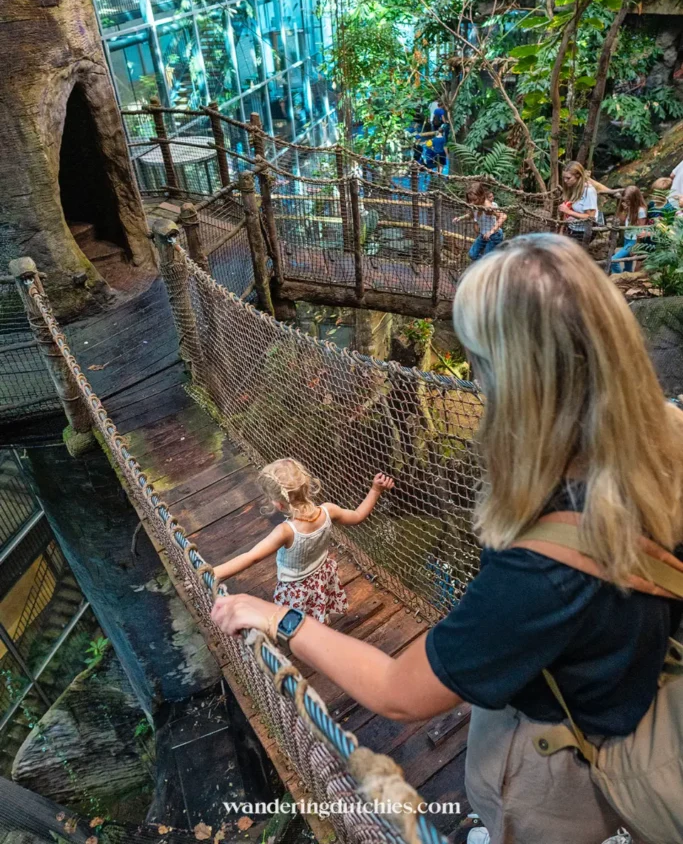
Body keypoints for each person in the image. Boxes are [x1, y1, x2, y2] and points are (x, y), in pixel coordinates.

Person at [212, 234, 683, 844]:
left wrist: (278, 617)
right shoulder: (665, 441)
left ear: (509, 380)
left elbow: (399, 694)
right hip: (627, 683)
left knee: (510, 817)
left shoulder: (546, 569)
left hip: (555, 754)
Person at [212, 458, 394, 623]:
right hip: (321, 576)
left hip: (296, 588)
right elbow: (357, 516)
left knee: (297, 622)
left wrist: (212, 574)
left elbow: (251, 557)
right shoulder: (328, 511)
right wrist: (375, 489)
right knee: (317, 603)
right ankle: (320, 618)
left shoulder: (285, 531)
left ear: (277, 504)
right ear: (307, 485)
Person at [610, 185, 648, 273]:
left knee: (614, 260)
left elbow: (640, 229)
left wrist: (636, 246)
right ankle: (627, 277)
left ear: (634, 199)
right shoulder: (629, 208)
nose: (626, 203)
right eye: (625, 201)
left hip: (633, 240)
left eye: (628, 201)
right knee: (628, 262)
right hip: (627, 238)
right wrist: (623, 209)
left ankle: (619, 277)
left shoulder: (641, 211)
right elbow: (622, 220)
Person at [466, 183, 507, 261]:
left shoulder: (488, 207)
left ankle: (489, 265)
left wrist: (491, 231)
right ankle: (487, 265)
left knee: (486, 259)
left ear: (481, 196)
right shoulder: (476, 205)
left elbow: (503, 216)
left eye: (474, 200)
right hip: (483, 235)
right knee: (472, 254)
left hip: (494, 235)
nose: (472, 203)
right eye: (470, 200)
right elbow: (471, 215)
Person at [560, 162, 598, 242]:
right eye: (564, 178)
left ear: (578, 176)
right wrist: (562, 229)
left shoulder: (589, 191)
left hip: (584, 230)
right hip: (573, 226)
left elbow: (591, 217)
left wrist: (568, 211)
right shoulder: (572, 187)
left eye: (568, 178)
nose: (565, 181)